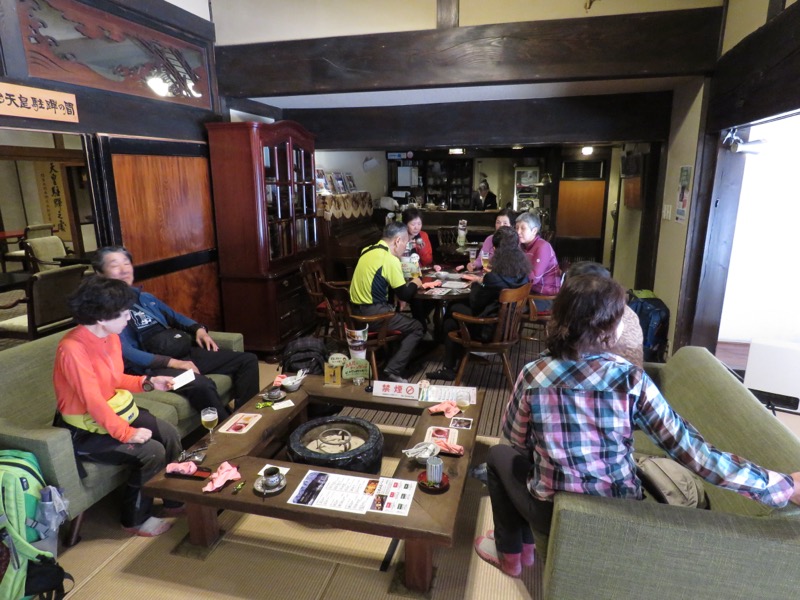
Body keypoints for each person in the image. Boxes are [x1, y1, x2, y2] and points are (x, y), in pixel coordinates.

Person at [475, 274, 800, 578]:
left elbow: (515, 438)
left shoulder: (532, 374)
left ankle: (512, 554)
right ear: (613, 328)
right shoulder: (632, 379)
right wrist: (781, 485)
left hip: (553, 511)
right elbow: (694, 454)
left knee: (499, 456)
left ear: (557, 320)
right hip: (620, 510)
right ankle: (520, 549)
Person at [53, 276, 182, 537]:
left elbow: (114, 379)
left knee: (169, 434)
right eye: (124, 313)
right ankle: (135, 519)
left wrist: (148, 382)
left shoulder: (111, 336)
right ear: (102, 317)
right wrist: (126, 433)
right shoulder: (72, 349)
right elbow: (92, 400)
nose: (129, 318)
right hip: (83, 429)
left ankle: (175, 500)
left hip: (112, 411)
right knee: (152, 451)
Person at [93, 246, 259, 419]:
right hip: (150, 369)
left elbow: (175, 317)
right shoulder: (104, 311)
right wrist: (174, 363)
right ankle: (228, 428)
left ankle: (249, 415)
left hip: (178, 352)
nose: (124, 270)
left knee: (247, 360)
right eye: (114, 265)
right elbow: (126, 352)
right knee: (201, 384)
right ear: (99, 273)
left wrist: (198, 329)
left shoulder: (144, 298)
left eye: (126, 263)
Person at [427, 226, 529, 381]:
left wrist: (478, 283)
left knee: (452, 314)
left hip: (490, 330)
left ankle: (449, 367)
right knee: (456, 311)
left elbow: (476, 303)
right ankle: (456, 358)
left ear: (496, 250)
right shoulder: (523, 274)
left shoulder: (493, 278)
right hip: (509, 328)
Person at [350, 221, 431, 383]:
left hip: (354, 313)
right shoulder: (389, 259)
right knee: (417, 327)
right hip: (373, 316)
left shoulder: (367, 250)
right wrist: (416, 282)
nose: (405, 248)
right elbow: (405, 294)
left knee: (398, 314)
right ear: (397, 241)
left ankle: (390, 357)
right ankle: (392, 370)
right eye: (405, 244)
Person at [565, 261, 644, 367]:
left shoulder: (594, 316)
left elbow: (570, 351)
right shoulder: (627, 312)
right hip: (632, 373)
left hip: (605, 372)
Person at [515, 212, 561, 301]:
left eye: (523, 228)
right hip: (528, 292)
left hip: (544, 296)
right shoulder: (521, 245)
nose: (518, 232)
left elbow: (533, 279)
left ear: (534, 231)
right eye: (516, 228)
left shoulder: (543, 246)